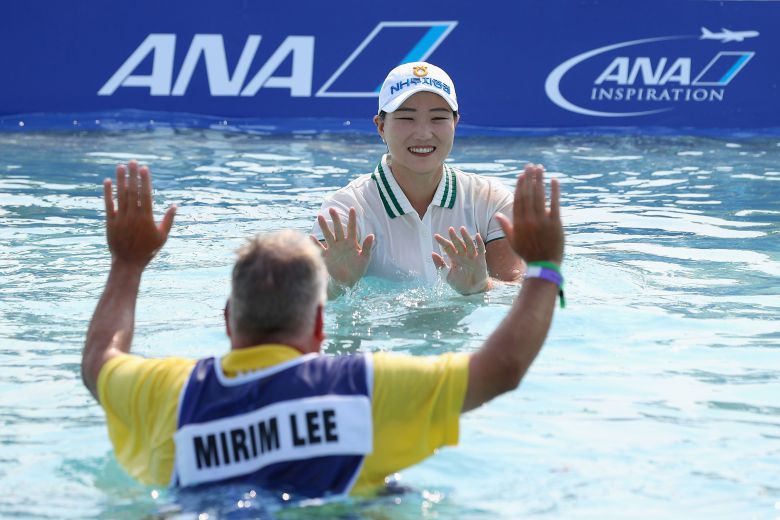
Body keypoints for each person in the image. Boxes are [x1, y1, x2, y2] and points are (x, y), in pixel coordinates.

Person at [82, 159, 563, 499]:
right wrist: (545, 266)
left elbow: (99, 361)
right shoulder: (363, 390)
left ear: (228, 319)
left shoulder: (173, 392)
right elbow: (503, 368)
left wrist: (127, 263)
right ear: (318, 324)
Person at [312, 62, 525, 296]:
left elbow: (521, 290)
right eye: (407, 118)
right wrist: (336, 286)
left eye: (438, 118)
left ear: (455, 123)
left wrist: (482, 287)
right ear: (381, 127)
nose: (423, 134)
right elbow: (308, 298)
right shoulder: (344, 210)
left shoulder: (491, 201)